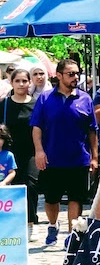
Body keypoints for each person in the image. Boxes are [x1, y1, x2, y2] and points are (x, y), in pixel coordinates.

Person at [31, 58, 98, 247]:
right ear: (59, 75)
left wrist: (94, 157)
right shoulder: (45, 98)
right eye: (71, 74)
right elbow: (36, 127)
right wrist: (39, 151)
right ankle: (53, 225)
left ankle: (72, 235)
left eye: (77, 73)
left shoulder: (85, 99)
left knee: (76, 198)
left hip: (78, 159)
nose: (75, 77)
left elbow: (92, 130)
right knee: (52, 199)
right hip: (52, 158)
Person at [2, 68, 40, 225]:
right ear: (11, 83)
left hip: (31, 151)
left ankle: (31, 221)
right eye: (17, 81)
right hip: (9, 152)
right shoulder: (4, 104)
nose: (21, 84)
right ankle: (15, 222)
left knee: (30, 185)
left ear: (29, 82)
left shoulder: (36, 104)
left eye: (24, 80)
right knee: (14, 187)